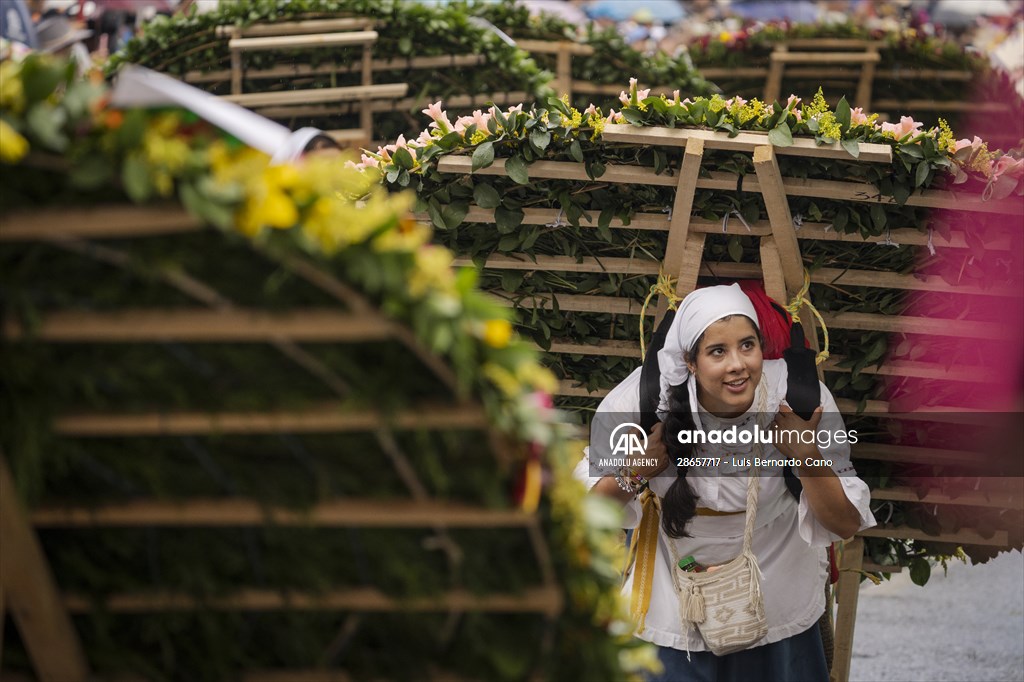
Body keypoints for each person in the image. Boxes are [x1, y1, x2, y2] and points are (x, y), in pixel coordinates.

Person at [576, 283, 876, 681]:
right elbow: (584, 515)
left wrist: (805, 454)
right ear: (690, 362)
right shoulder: (639, 402)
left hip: (778, 595)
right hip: (671, 602)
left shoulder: (798, 399)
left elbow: (845, 523)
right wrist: (637, 470)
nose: (737, 365)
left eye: (747, 346)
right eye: (718, 351)